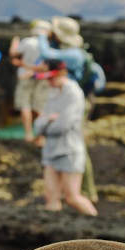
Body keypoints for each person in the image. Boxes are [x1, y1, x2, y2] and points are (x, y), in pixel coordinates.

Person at [35, 16, 98, 203]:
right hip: (66, 99)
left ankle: (86, 191)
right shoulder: (71, 52)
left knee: (76, 147)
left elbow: (47, 54)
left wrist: (41, 36)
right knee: (74, 146)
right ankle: (74, 190)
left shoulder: (73, 54)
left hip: (74, 102)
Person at [33, 60, 98, 216]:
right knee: (51, 199)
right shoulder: (53, 92)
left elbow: (63, 125)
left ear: (62, 73)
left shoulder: (74, 93)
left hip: (70, 150)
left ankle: (99, 233)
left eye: (51, 77)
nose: (49, 81)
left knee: (72, 197)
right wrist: (48, 120)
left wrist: (46, 122)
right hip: (50, 151)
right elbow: (38, 125)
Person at [10, 20, 52, 141]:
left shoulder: (27, 42)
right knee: (40, 106)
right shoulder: (48, 45)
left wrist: (14, 43)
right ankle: (41, 137)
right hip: (42, 77)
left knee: (25, 105)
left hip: (25, 76)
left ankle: (28, 134)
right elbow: (46, 66)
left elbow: (13, 54)